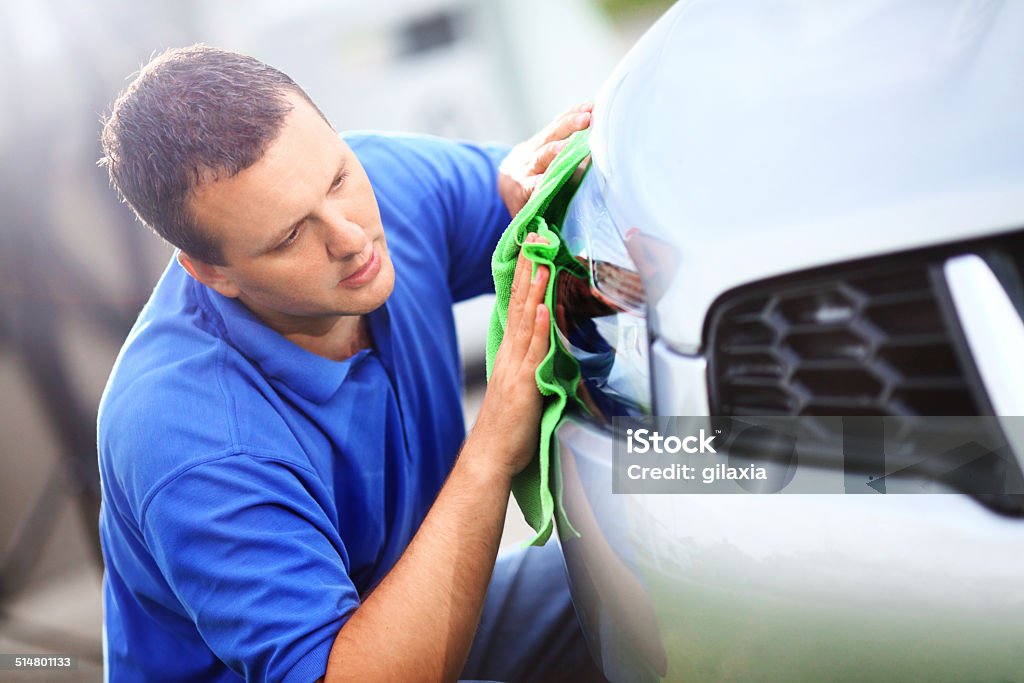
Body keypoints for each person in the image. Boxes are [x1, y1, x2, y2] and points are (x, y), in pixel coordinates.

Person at [96, 45, 603, 682]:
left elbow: (525, 196)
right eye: (289, 236)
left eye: (338, 177)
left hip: (395, 614)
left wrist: (542, 183)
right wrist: (494, 445)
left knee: (643, 582)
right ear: (211, 272)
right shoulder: (189, 441)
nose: (351, 236)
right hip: (349, 666)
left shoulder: (382, 183)